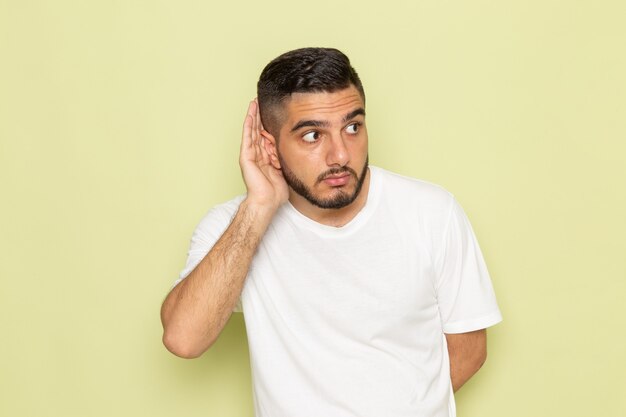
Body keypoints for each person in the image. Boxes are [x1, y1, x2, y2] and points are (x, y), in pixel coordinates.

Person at [160, 47, 502, 417]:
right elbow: (183, 339)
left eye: (353, 127)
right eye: (312, 136)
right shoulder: (236, 226)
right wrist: (259, 207)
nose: (340, 155)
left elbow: (468, 349)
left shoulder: (433, 212)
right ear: (269, 146)